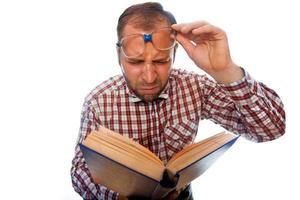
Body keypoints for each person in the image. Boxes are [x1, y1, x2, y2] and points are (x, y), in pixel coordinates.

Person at [71, 2, 286, 200]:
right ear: (118, 54)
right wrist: (116, 198)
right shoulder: (99, 101)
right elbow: (80, 170)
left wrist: (225, 70)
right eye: (135, 62)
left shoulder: (194, 87)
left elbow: (269, 130)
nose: (149, 77)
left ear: (175, 53)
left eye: (161, 61)